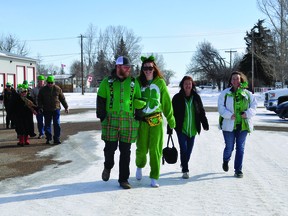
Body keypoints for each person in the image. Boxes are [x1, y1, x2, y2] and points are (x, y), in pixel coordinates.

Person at [96, 56, 145, 190]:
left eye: (129, 67)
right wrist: (103, 117)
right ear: (118, 67)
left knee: (126, 151)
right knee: (110, 148)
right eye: (125, 67)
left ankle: (124, 179)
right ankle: (108, 165)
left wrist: (138, 118)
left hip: (128, 120)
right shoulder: (107, 82)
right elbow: (100, 100)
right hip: (111, 120)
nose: (129, 69)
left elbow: (138, 99)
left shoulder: (134, 82)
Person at [135, 55, 176, 188]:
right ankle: (140, 166)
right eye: (145, 68)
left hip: (156, 121)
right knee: (141, 149)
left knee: (155, 150)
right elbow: (132, 98)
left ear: (154, 68)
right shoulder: (137, 82)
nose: (148, 70)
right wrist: (137, 103)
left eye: (150, 68)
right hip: (142, 121)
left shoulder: (160, 82)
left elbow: (166, 102)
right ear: (142, 69)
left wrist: (171, 119)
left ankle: (154, 176)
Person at [218, 71, 257, 178]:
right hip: (228, 125)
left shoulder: (247, 94)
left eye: (237, 78)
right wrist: (229, 115)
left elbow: (254, 106)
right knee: (229, 147)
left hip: (243, 126)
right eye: (233, 78)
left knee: (240, 148)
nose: (235, 80)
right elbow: (221, 108)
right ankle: (226, 160)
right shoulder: (225, 93)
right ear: (230, 81)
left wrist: (247, 113)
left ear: (241, 80)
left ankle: (238, 170)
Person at [169, 76, 209, 179]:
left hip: (193, 129)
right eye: (186, 83)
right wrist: (170, 128)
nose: (188, 85)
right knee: (183, 148)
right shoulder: (177, 98)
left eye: (189, 83)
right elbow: (171, 114)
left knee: (189, 150)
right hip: (181, 129)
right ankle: (185, 170)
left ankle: (184, 163)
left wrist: (204, 123)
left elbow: (201, 111)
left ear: (192, 85)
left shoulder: (196, 97)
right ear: (182, 85)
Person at [38, 75, 69, 145]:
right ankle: (48, 138)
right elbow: (39, 99)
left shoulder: (58, 89)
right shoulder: (43, 90)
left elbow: (62, 99)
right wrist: (40, 107)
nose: (50, 84)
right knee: (47, 125)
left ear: (53, 82)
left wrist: (66, 107)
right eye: (48, 83)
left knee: (57, 124)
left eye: (51, 82)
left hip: (56, 109)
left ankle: (56, 138)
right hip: (47, 110)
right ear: (46, 82)